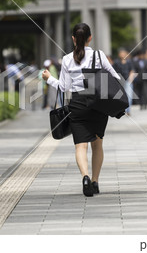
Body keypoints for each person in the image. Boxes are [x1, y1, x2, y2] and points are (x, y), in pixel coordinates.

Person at [42, 23, 120, 197]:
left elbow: (63, 87)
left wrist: (49, 79)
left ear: (73, 39)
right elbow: (115, 76)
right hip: (98, 104)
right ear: (90, 38)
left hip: (77, 104)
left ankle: (84, 176)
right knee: (97, 144)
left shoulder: (68, 59)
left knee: (80, 146)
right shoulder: (99, 55)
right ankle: (95, 181)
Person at [112, 48, 134, 115]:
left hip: (127, 81)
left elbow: (132, 71)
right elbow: (113, 71)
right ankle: (120, 110)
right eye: (121, 53)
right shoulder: (116, 62)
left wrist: (130, 79)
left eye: (124, 53)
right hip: (119, 81)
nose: (122, 54)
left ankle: (128, 110)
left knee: (129, 96)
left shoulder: (129, 62)